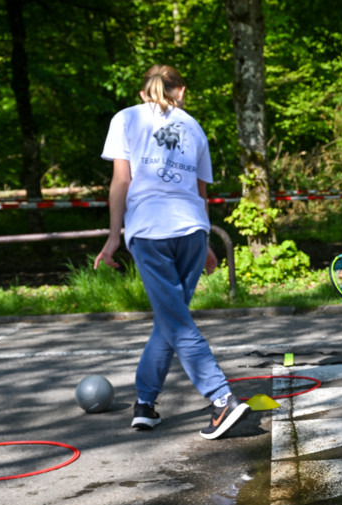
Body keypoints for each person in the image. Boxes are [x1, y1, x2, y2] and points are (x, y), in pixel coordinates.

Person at [94, 64, 249, 440]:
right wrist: (206, 240)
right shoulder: (194, 126)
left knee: (175, 321)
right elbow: (201, 193)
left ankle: (221, 397)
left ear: (144, 91)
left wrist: (114, 237)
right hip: (191, 230)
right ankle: (145, 404)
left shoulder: (125, 118)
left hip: (150, 230)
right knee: (171, 318)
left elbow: (121, 181)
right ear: (180, 91)